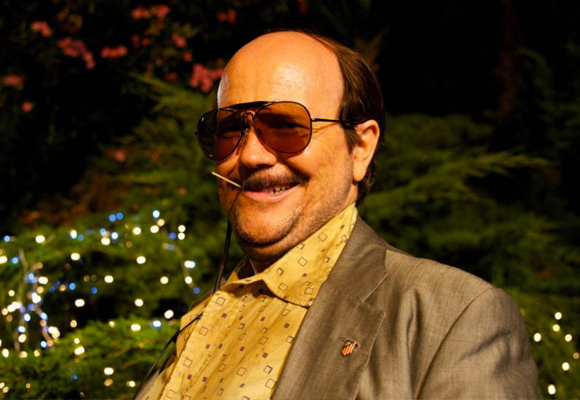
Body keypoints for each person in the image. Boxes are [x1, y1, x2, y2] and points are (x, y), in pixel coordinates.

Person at [137, 31, 541, 399]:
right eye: (228, 129)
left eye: (285, 125)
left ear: (360, 148)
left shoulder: (452, 317)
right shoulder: (198, 319)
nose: (250, 155)